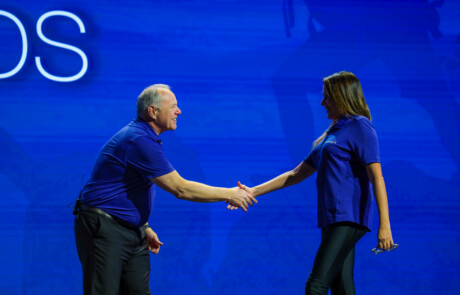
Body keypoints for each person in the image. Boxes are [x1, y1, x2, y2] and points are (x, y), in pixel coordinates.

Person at [74, 84, 257, 295]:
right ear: (153, 111)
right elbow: (180, 189)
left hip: (132, 231)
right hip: (105, 228)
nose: (178, 111)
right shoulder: (138, 139)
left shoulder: (145, 138)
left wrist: (143, 224)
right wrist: (230, 193)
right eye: (173, 107)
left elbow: (130, 187)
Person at [234, 71, 394, 294]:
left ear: (343, 97)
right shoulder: (331, 133)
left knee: (316, 285)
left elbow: (376, 177)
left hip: (347, 218)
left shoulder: (360, 126)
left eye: (327, 97)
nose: (322, 103)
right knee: (342, 286)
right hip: (331, 218)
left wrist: (384, 225)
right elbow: (295, 174)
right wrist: (253, 191)